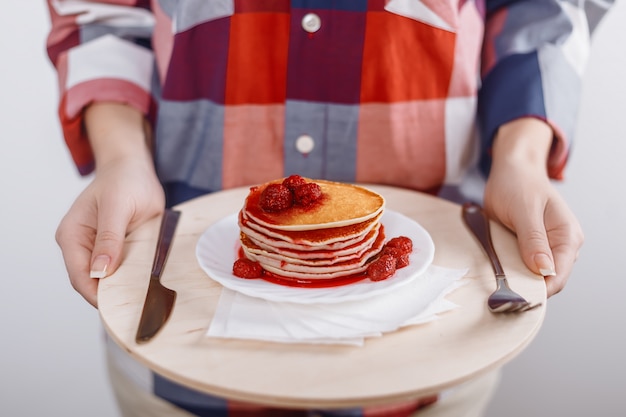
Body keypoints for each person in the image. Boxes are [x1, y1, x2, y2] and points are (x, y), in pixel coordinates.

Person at [46, 1, 611, 416]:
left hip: (431, 344)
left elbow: (546, 11)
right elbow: (99, 13)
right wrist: (121, 158)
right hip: (181, 325)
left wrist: (521, 157)